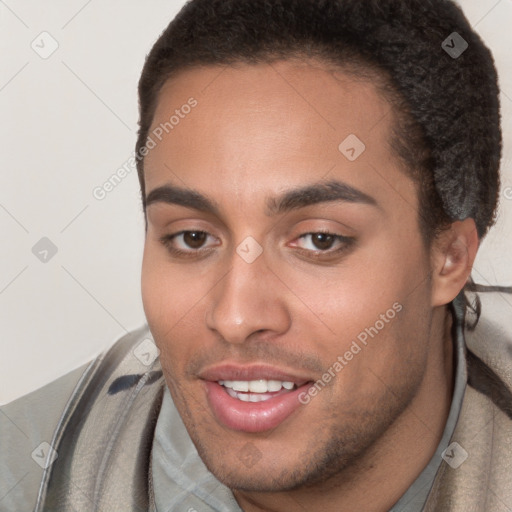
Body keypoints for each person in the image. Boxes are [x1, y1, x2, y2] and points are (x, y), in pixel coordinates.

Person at [1, 0, 511, 510]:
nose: (235, 316)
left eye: (319, 240)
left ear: (449, 256)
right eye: (192, 238)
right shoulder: (26, 479)